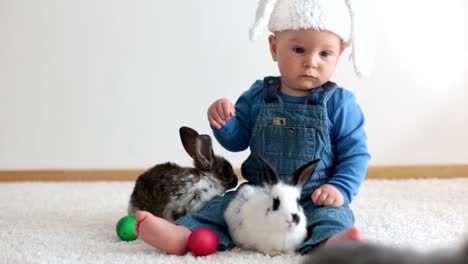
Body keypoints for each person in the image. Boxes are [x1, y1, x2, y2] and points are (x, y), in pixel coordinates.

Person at [135, 0, 375, 255]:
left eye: (324, 54)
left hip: (315, 196)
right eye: (299, 49)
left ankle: (334, 243)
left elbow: (355, 155)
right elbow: (237, 141)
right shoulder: (258, 95)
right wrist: (225, 123)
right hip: (261, 195)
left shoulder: (340, 104)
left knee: (333, 217)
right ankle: (183, 234)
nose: (311, 62)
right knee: (222, 208)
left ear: (340, 55)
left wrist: (339, 188)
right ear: (274, 47)